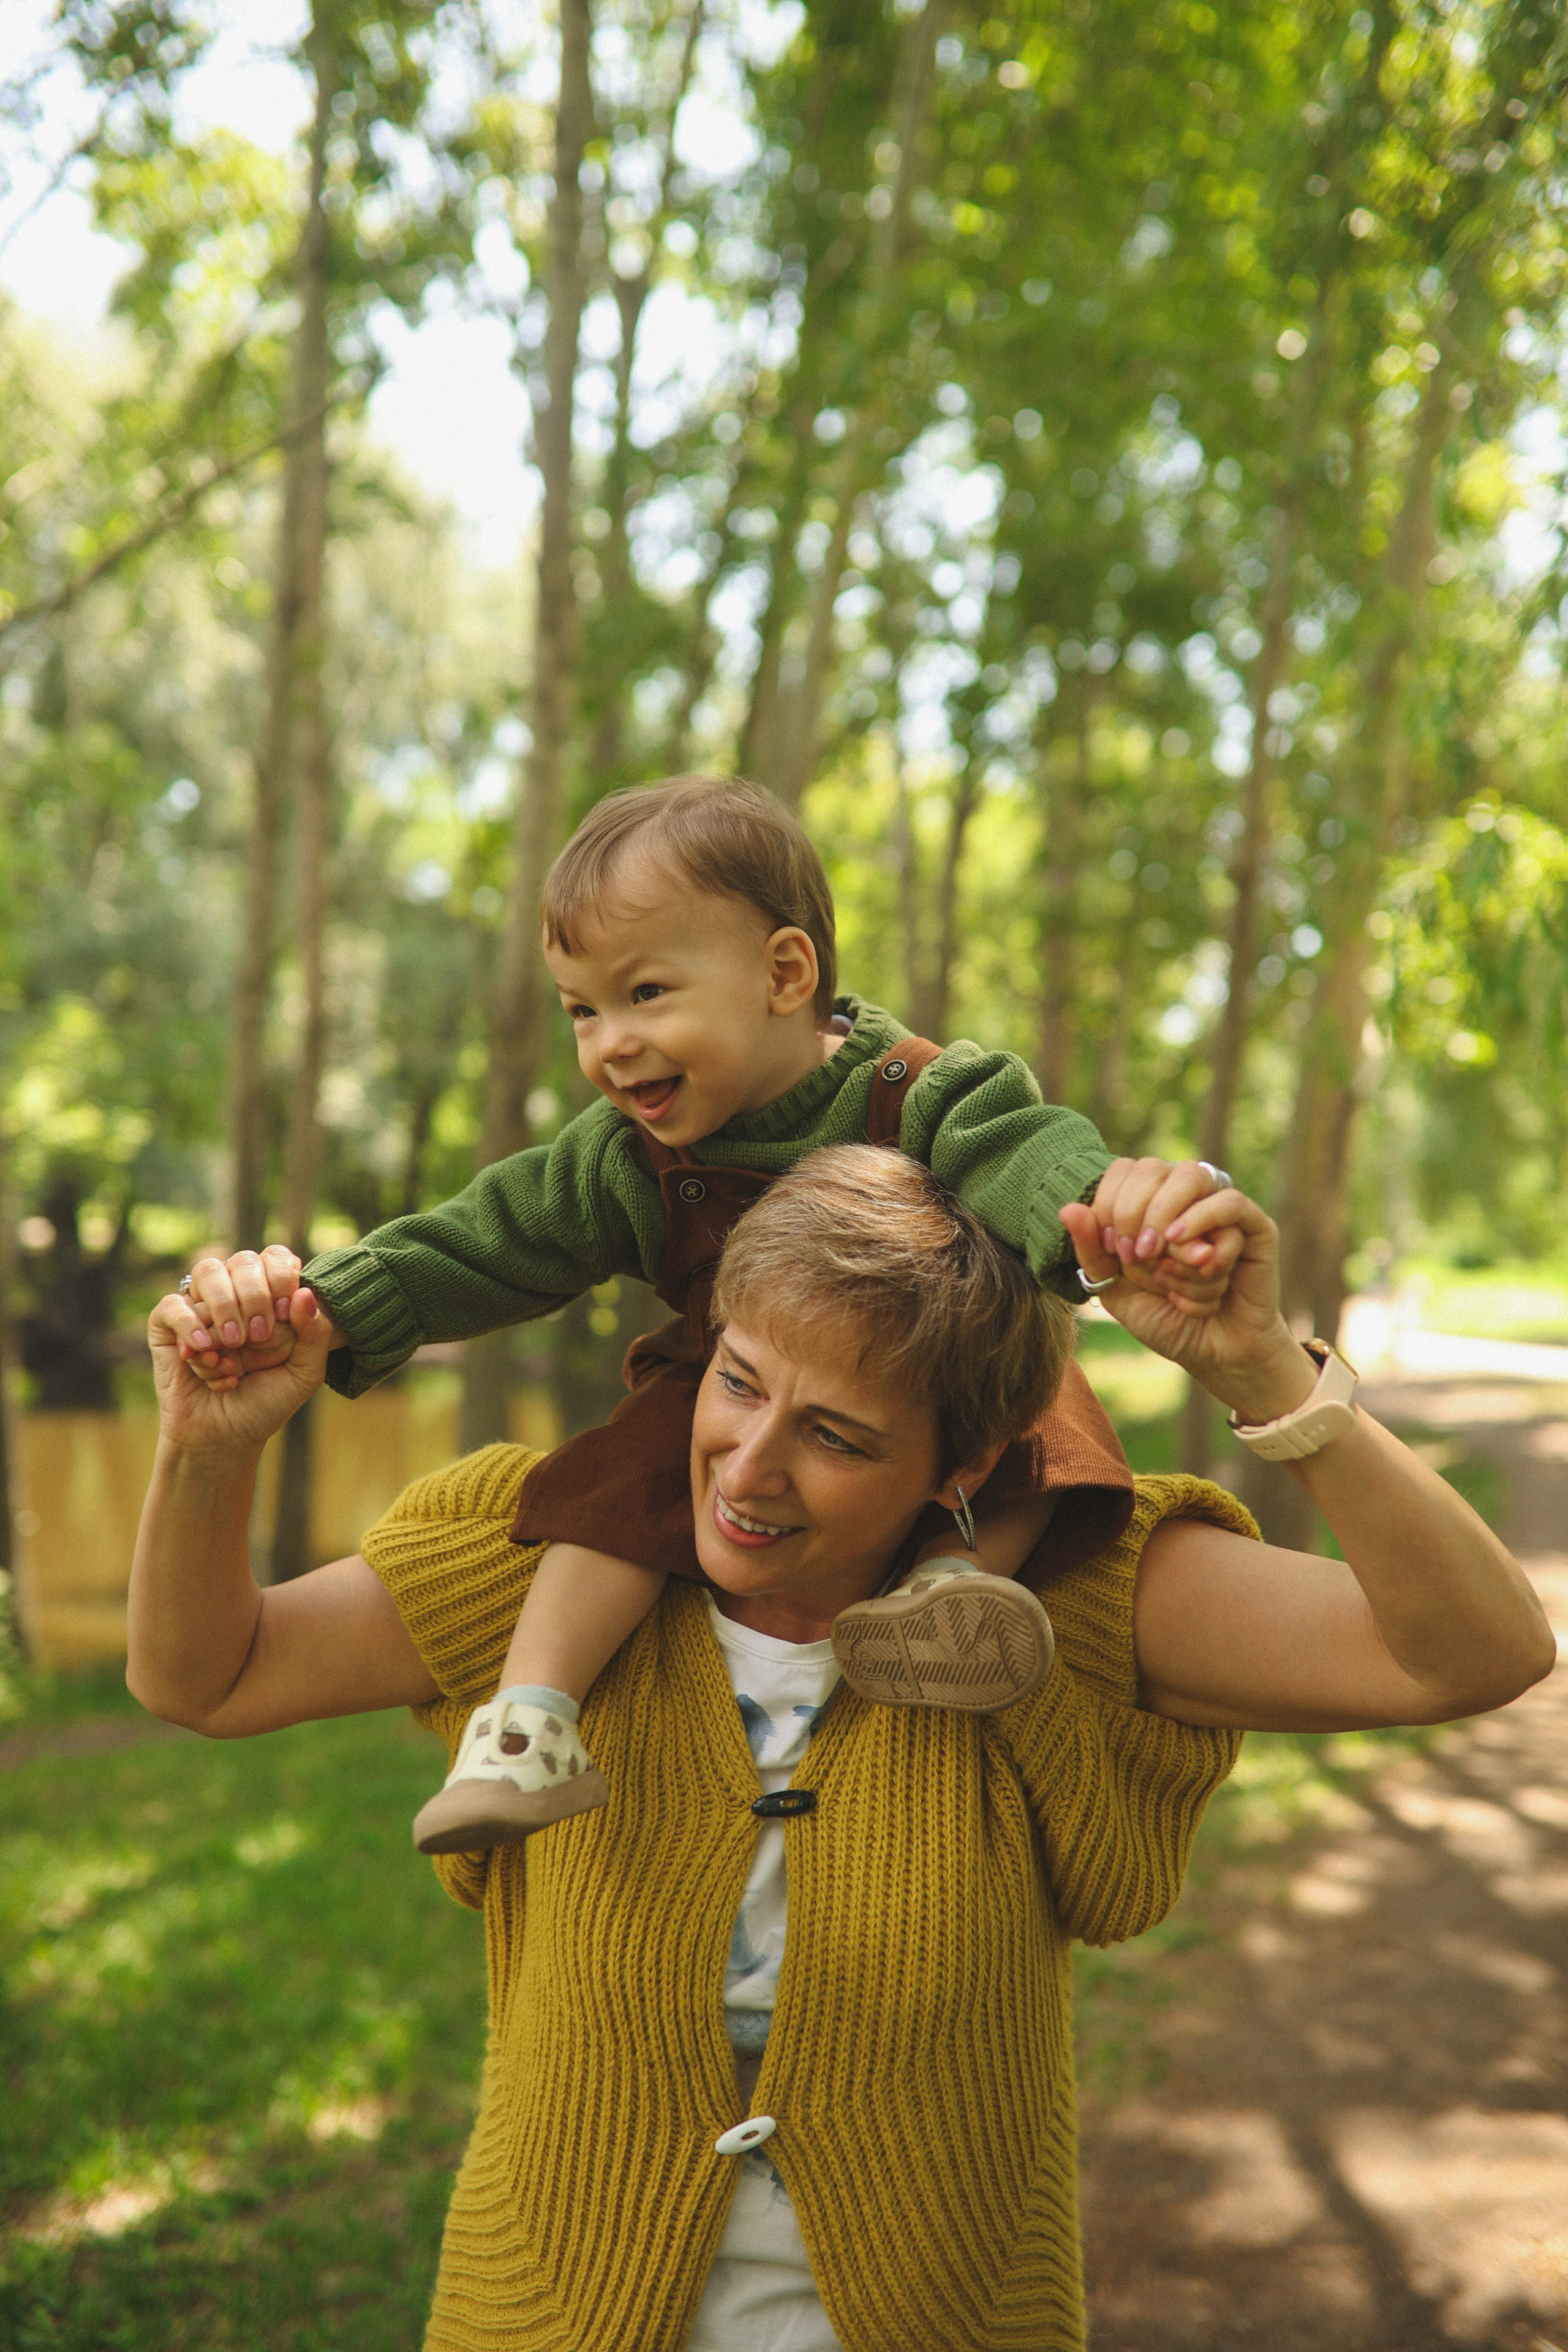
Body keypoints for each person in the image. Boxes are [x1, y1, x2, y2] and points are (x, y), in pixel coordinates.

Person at [130, 1147, 1554, 2352]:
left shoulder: (1077, 1596)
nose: (748, 1469)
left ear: (955, 1465)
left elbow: (1474, 1651)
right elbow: (209, 1673)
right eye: (737, 1384)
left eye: (834, 1435)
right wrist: (208, 1447)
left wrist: (1261, 1366)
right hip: (542, 2311)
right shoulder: (542, 1554)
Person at [164, 777, 1251, 1853]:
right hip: (731, 1380)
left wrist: (1104, 1222)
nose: (609, 1044)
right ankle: (532, 1719)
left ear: (785, 973)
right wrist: (334, 1306)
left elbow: (1024, 1150)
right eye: (583, 1010)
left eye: (646, 994)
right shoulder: (629, 1161)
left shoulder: (918, 1092)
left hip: (939, 1376)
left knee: (1039, 1411)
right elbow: (491, 1238)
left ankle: (952, 1594)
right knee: (621, 1479)